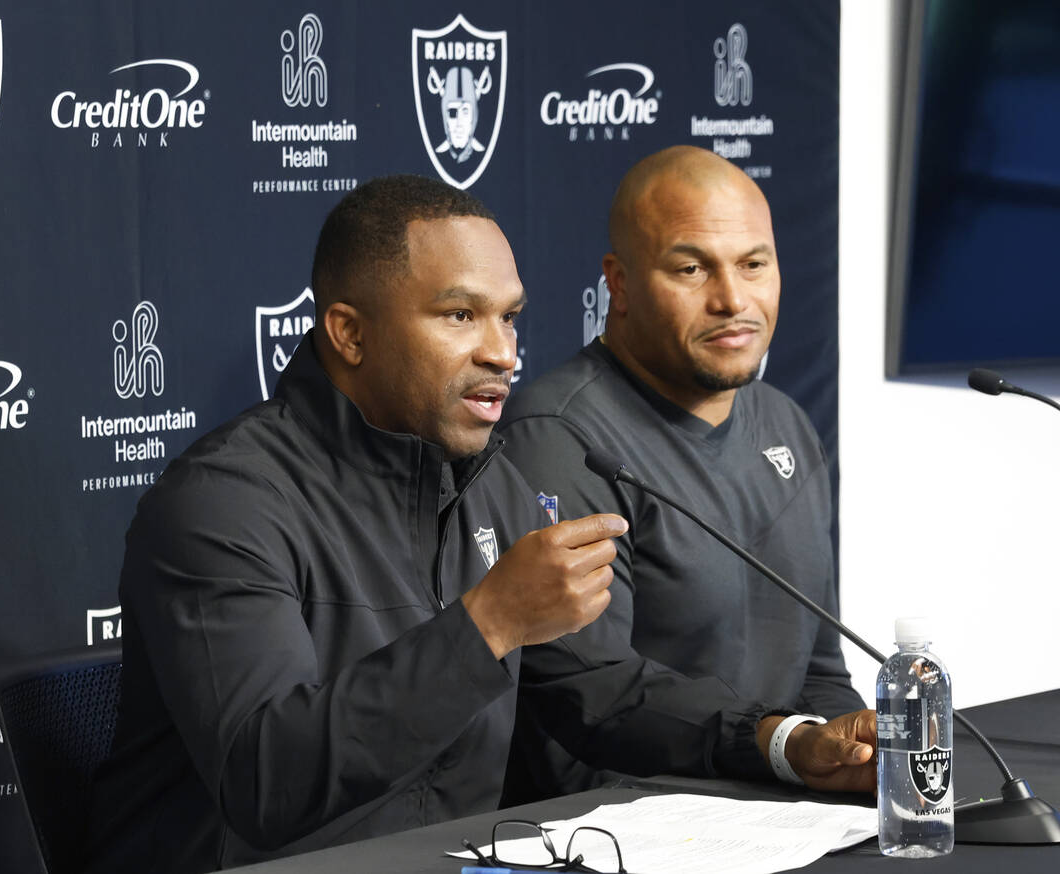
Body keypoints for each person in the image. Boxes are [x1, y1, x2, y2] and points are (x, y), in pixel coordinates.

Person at [84, 175, 628, 873]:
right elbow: (267, 780)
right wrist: (488, 622)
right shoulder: (222, 502)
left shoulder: (495, 488)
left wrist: (775, 742)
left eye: (510, 316)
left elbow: (595, 697)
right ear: (349, 332)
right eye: (460, 315)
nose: (503, 352)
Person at [497, 145, 873, 802]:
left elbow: (817, 668)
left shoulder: (787, 424)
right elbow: (594, 693)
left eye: (754, 264)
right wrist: (785, 741)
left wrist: (853, 748)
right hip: (614, 831)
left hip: (780, 808)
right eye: (692, 268)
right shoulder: (558, 439)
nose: (732, 299)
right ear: (618, 282)